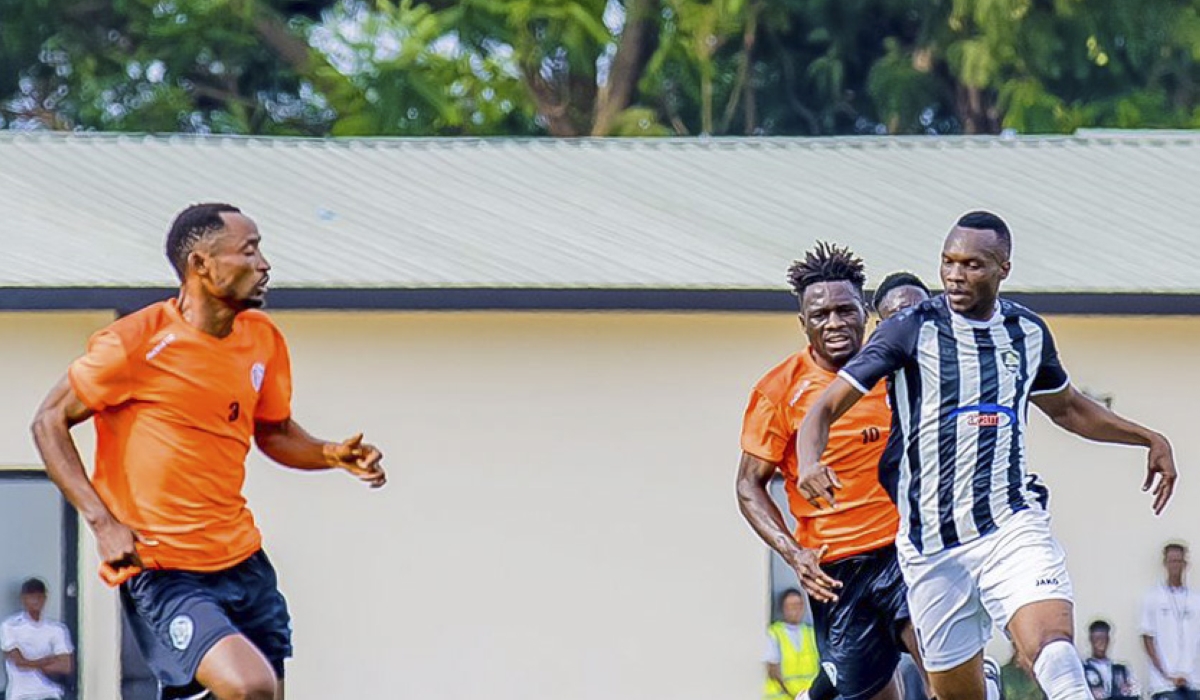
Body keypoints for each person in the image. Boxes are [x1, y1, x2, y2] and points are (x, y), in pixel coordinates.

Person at [796, 211, 1178, 700]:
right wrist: (810, 460)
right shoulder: (910, 330)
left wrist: (1148, 438)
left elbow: (1067, 408)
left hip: (1010, 525)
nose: (955, 275)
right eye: (948, 262)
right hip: (932, 547)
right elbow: (824, 408)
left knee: (1054, 649)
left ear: (1003, 268)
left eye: (972, 264)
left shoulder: (1027, 333)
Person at [31, 203, 388, 700]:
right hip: (166, 569)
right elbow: (48, 421)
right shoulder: (133, 344)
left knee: (261, 695)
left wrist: (329, 454)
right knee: (250, 687)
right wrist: (103, 523)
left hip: (244, 561)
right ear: (201, 264)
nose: (264, 263)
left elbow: (275, 431)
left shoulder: (262, 339)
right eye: (249, 250)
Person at [737, 243, 936, 700]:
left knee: (941, 661)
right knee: (865, 691)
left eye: (845, 310)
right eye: (820, 314)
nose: (834, 324)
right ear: (802, 321)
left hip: (906, 548)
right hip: (836, 569)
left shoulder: (899, 370)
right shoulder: (779, 390)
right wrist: (793, 553)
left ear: (865, 313)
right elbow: (749, 485)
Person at [1142, 543, 1200, 700]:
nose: (1175, 565)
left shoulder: (1196, 600)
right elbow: (1148, 639)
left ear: (1185, 564)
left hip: (1194, 682)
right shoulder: (1153, 597)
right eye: (1172, 561)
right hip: (1163, 684)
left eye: (1179, 561)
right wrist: (1167, 675)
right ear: (1165, 563)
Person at [0, 578, 74, 700]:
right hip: (21, 695)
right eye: (31, 597)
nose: (35, 601)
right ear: (23, 599)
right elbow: (19, 662)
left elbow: (66, 666)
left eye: (39, 597)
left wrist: (31, 662)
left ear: (45, 598)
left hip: (51, 694)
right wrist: (48, 660)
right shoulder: (10, 626)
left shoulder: (57, 629)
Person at [764, 589, 821, 700]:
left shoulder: (811, 633)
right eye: (790, 605)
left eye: (798, 605)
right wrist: (795, 696)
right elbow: (772, 671)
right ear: (783, 608)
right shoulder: (773, 633)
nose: (795, 609)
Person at [1083, 619, 1138, 700]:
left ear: (1108, 640)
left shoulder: (1122, 670)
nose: (1100, 643)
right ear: (1091, 640)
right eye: (1097, 639)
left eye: (1103, 639)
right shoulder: (1083, 670)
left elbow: (1134, 693)